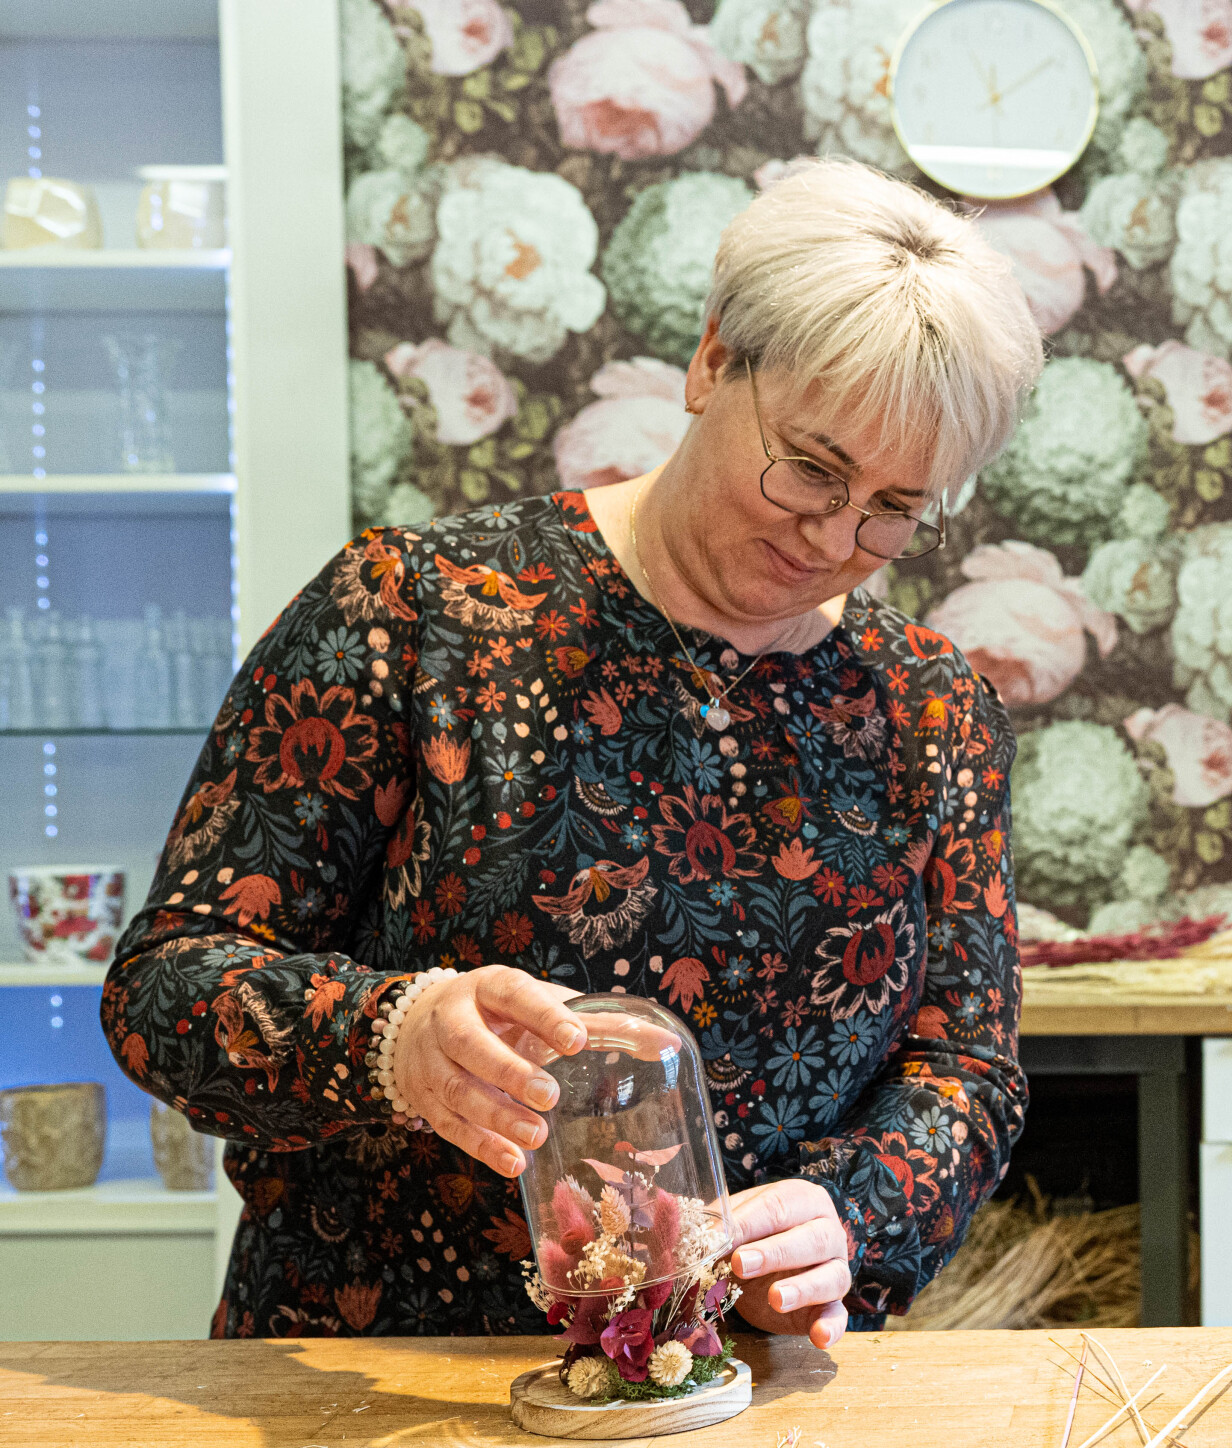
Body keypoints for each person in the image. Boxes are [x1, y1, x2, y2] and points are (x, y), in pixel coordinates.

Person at [101, 158, 1044, 1347]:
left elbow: (966, 1069)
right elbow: (163, 987)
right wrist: (389, 1036)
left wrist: (844, 1217)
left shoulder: (930, 709)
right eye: (810, 466)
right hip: (383, 1383)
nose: (833, 536)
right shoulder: (420, 612)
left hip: (733, 1398)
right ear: (712, 362)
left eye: (895, 507)